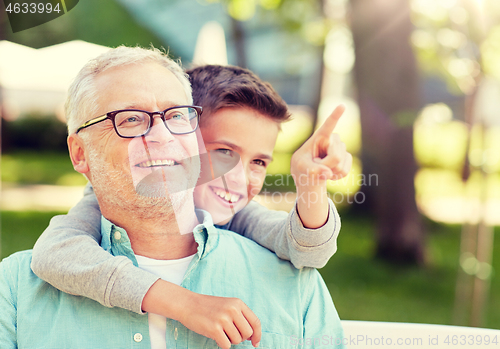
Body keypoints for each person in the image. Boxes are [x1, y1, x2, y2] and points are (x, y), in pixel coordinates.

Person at [0, 46, 345, 348]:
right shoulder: (18, 287)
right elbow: (53, 252)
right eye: (131, 119)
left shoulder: (288, 277)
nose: (162, 135)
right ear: (80, 154)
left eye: (176, 115)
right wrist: (181, 302)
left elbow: (305, 243)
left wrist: (312, 186)